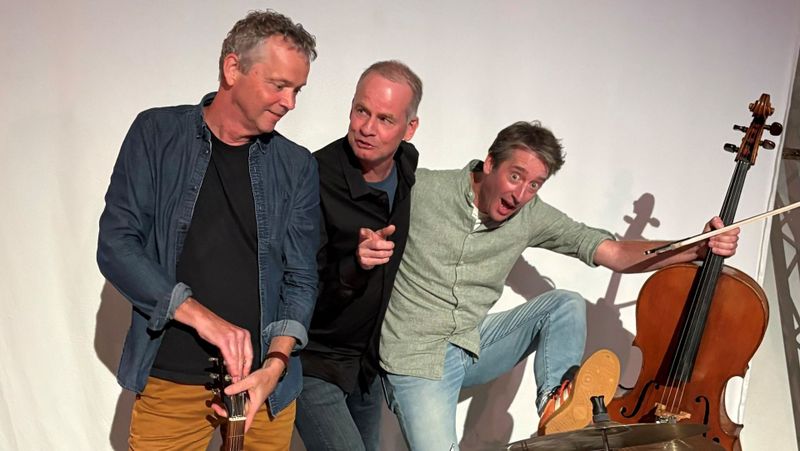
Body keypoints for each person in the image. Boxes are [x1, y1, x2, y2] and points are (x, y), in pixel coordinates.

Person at [374, 121, 740, 451]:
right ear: (490, 163)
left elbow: (613, 252)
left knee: (564, 303)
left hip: (470, 344)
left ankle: (556, 405)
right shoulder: (421, 188)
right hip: (414, 357)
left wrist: (695, 247)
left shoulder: (530, 214)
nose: (520, 194)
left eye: (534, 185)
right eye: (515, 176)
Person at [97, 10, 319, 449]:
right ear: (233, 68)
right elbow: (116, 246)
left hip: (265, 390)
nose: (290, 102)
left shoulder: (297, 166)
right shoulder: (156, 134)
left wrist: (275, 366)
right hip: (172, 380)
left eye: (297, 90)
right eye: (279, 85)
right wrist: (208, 322)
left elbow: (301, 278)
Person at [295, 60, 422, 451]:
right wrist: (355, 264)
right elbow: (296, 284)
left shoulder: (407, 166)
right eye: (361, 111)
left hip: (367, 367)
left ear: (409, 128)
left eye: (385, 119)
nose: (367, 128)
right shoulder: (313, 175)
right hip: (314, 362)